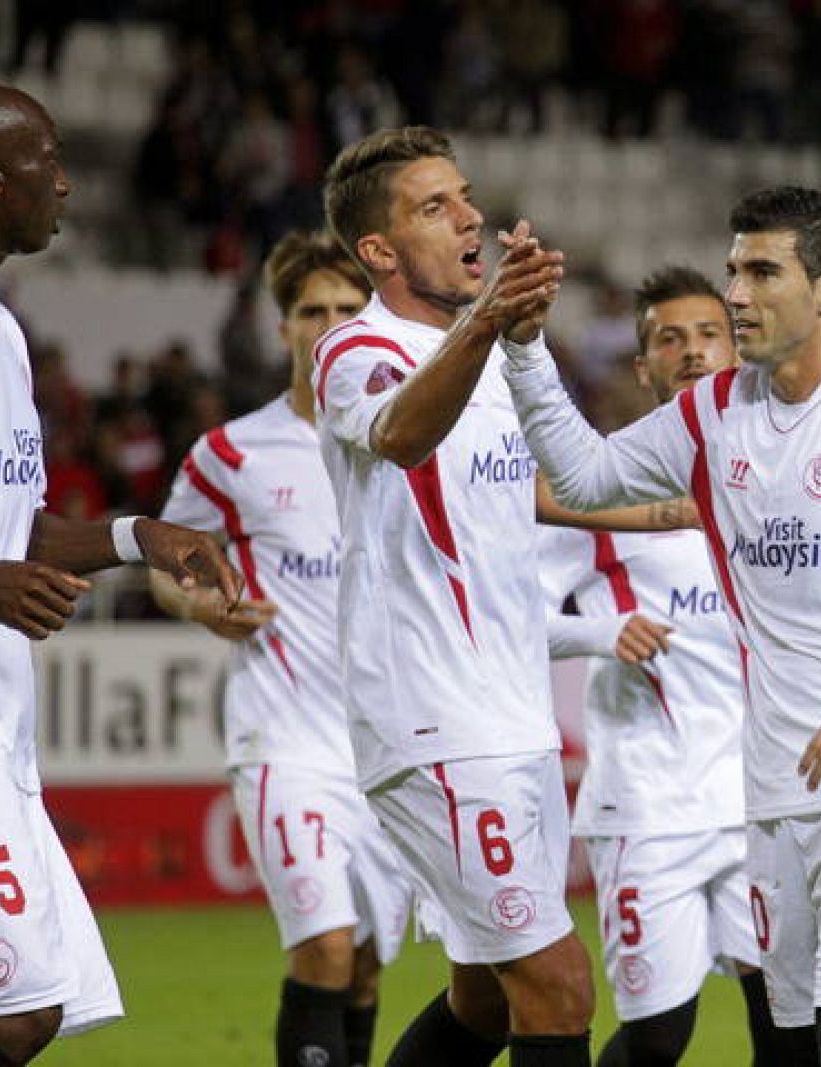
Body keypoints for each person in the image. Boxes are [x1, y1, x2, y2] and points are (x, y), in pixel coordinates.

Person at [504, 185, 821, 1065]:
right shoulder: (714, 413)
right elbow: (587, 480)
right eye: (733, 270)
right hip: (774, 783)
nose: (735, 293)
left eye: (760, 271)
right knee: (791, 1044)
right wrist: (523, 351)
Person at [0, 77, 238, 1066]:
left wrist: (140, 536)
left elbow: (16, 525)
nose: (69, 185)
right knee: (12, 1005)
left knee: (9, 1006)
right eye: (48, 162)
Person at [313, 125, 591, 1067]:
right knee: (557, 986)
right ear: (378, 251)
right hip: (435, 723)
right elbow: (396, 432)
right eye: (434, 206)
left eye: (466, 195)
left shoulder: (497, 361)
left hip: (512, 717)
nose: (471, 216)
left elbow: (553, 489)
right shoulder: (357, 349)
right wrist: (487, 323)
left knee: (485, 1001)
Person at [151, 230, 413, 1067]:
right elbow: (168, 563)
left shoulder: (401, 441)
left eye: (347, 309)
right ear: (284, 328)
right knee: (325, 948)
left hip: (385, 749)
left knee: (367, 966)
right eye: (312, 311)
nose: (328, 324)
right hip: (283, 742)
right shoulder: (232, 452)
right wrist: (198, 602)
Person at [539, 266, 780, 1066]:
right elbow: (507, 622)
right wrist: (601, 634)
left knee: (787, 1023)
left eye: (710, 334)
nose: (692, 351)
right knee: (657, 1036)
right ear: (642, 366)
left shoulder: (777, 487)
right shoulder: (596, 495)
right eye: (669, 338)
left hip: (763, 805)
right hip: (650, 808)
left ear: (739, 349)